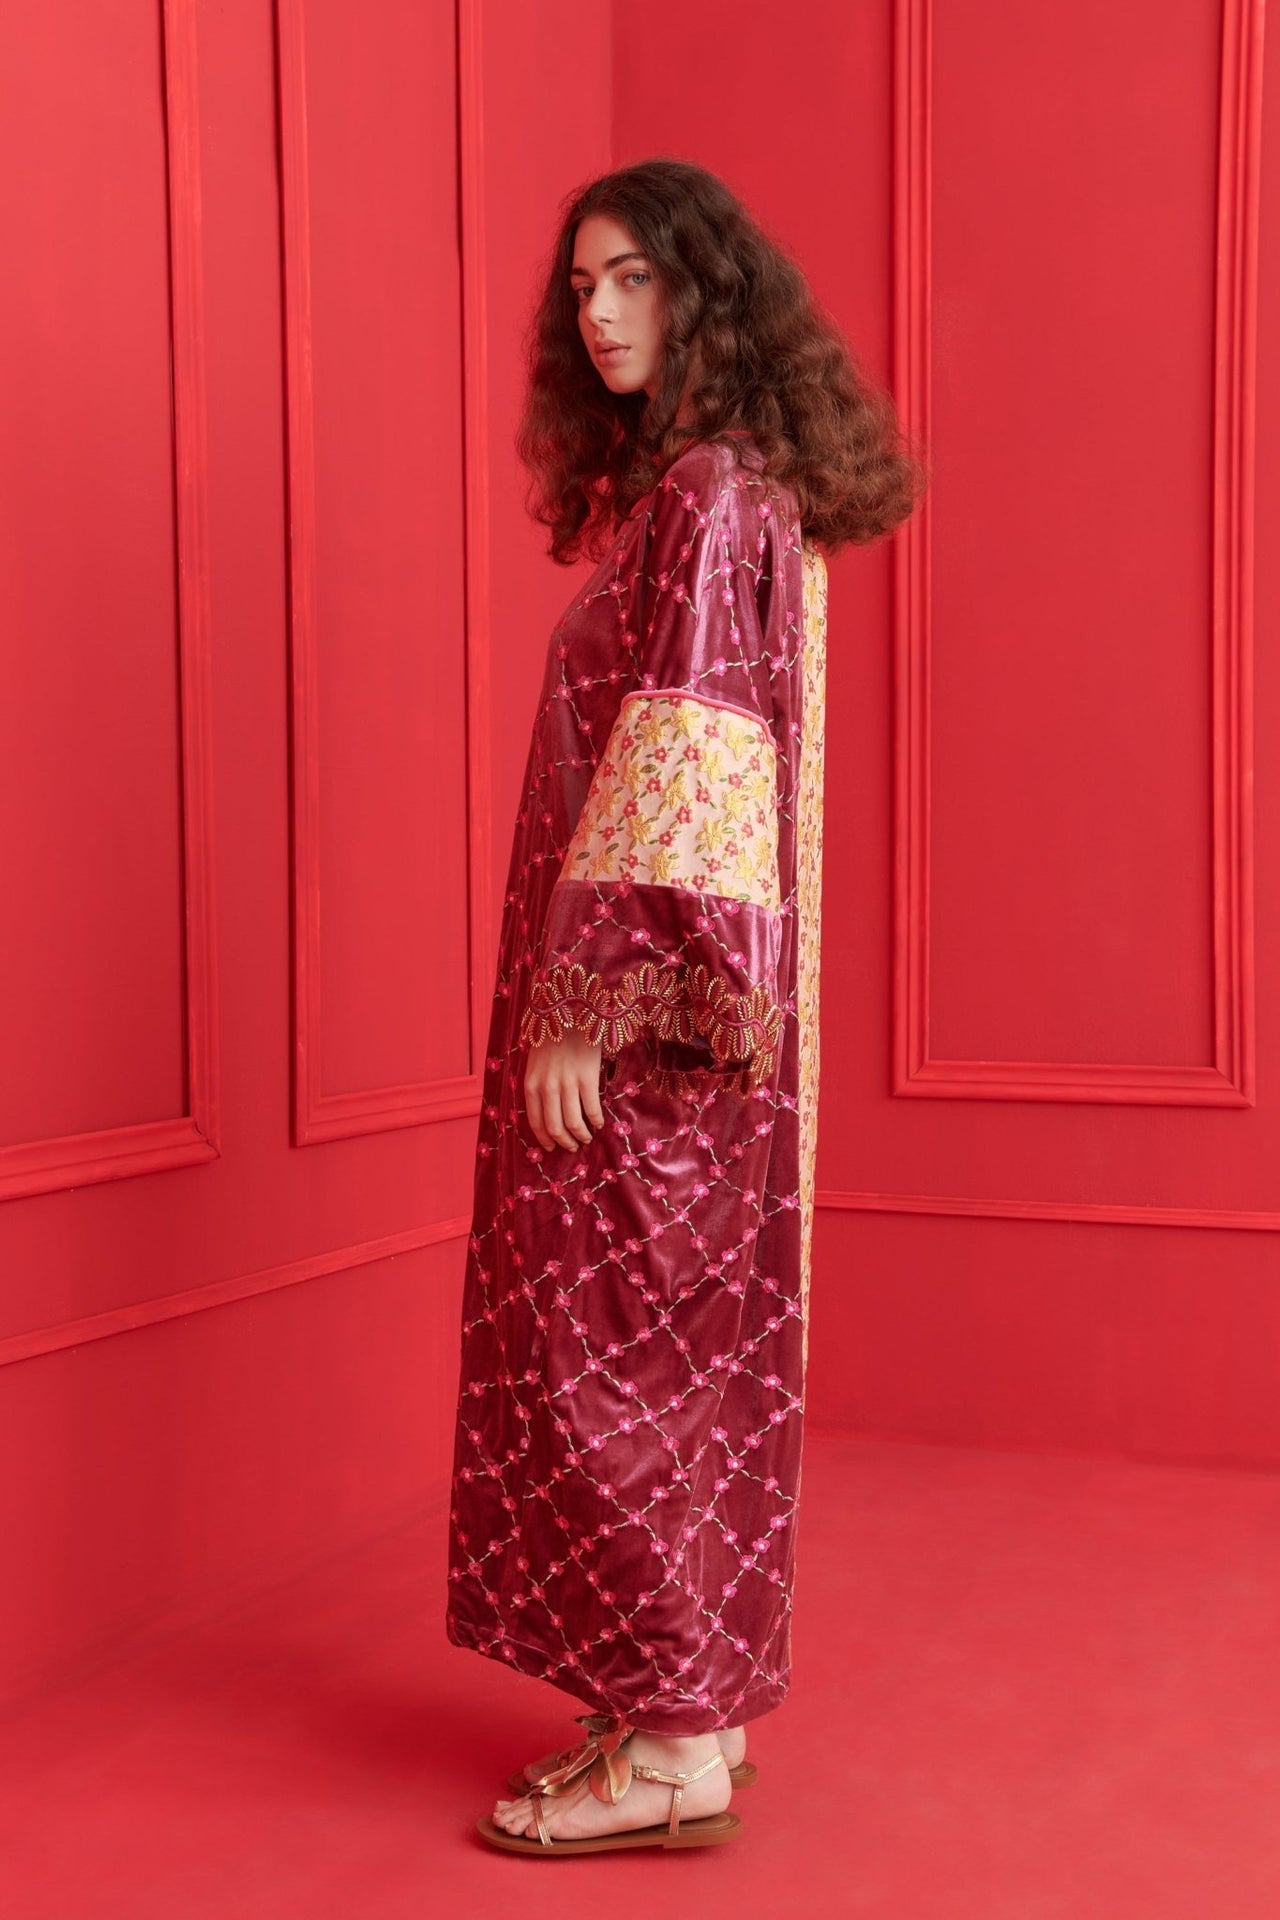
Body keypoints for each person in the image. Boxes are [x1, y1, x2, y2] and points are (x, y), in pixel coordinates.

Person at [446, 157, 927, 1857]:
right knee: (671, 1356)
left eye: (636, 277)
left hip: (657, 1019)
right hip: (706, 1018)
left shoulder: (715, 496)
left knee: (623, 1361)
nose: (600, 312)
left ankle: (663, 1758)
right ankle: (691, 1724)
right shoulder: (732, 491)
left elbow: (690, 766)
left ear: (706, 291)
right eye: (583, 285)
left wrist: (587, 1002)